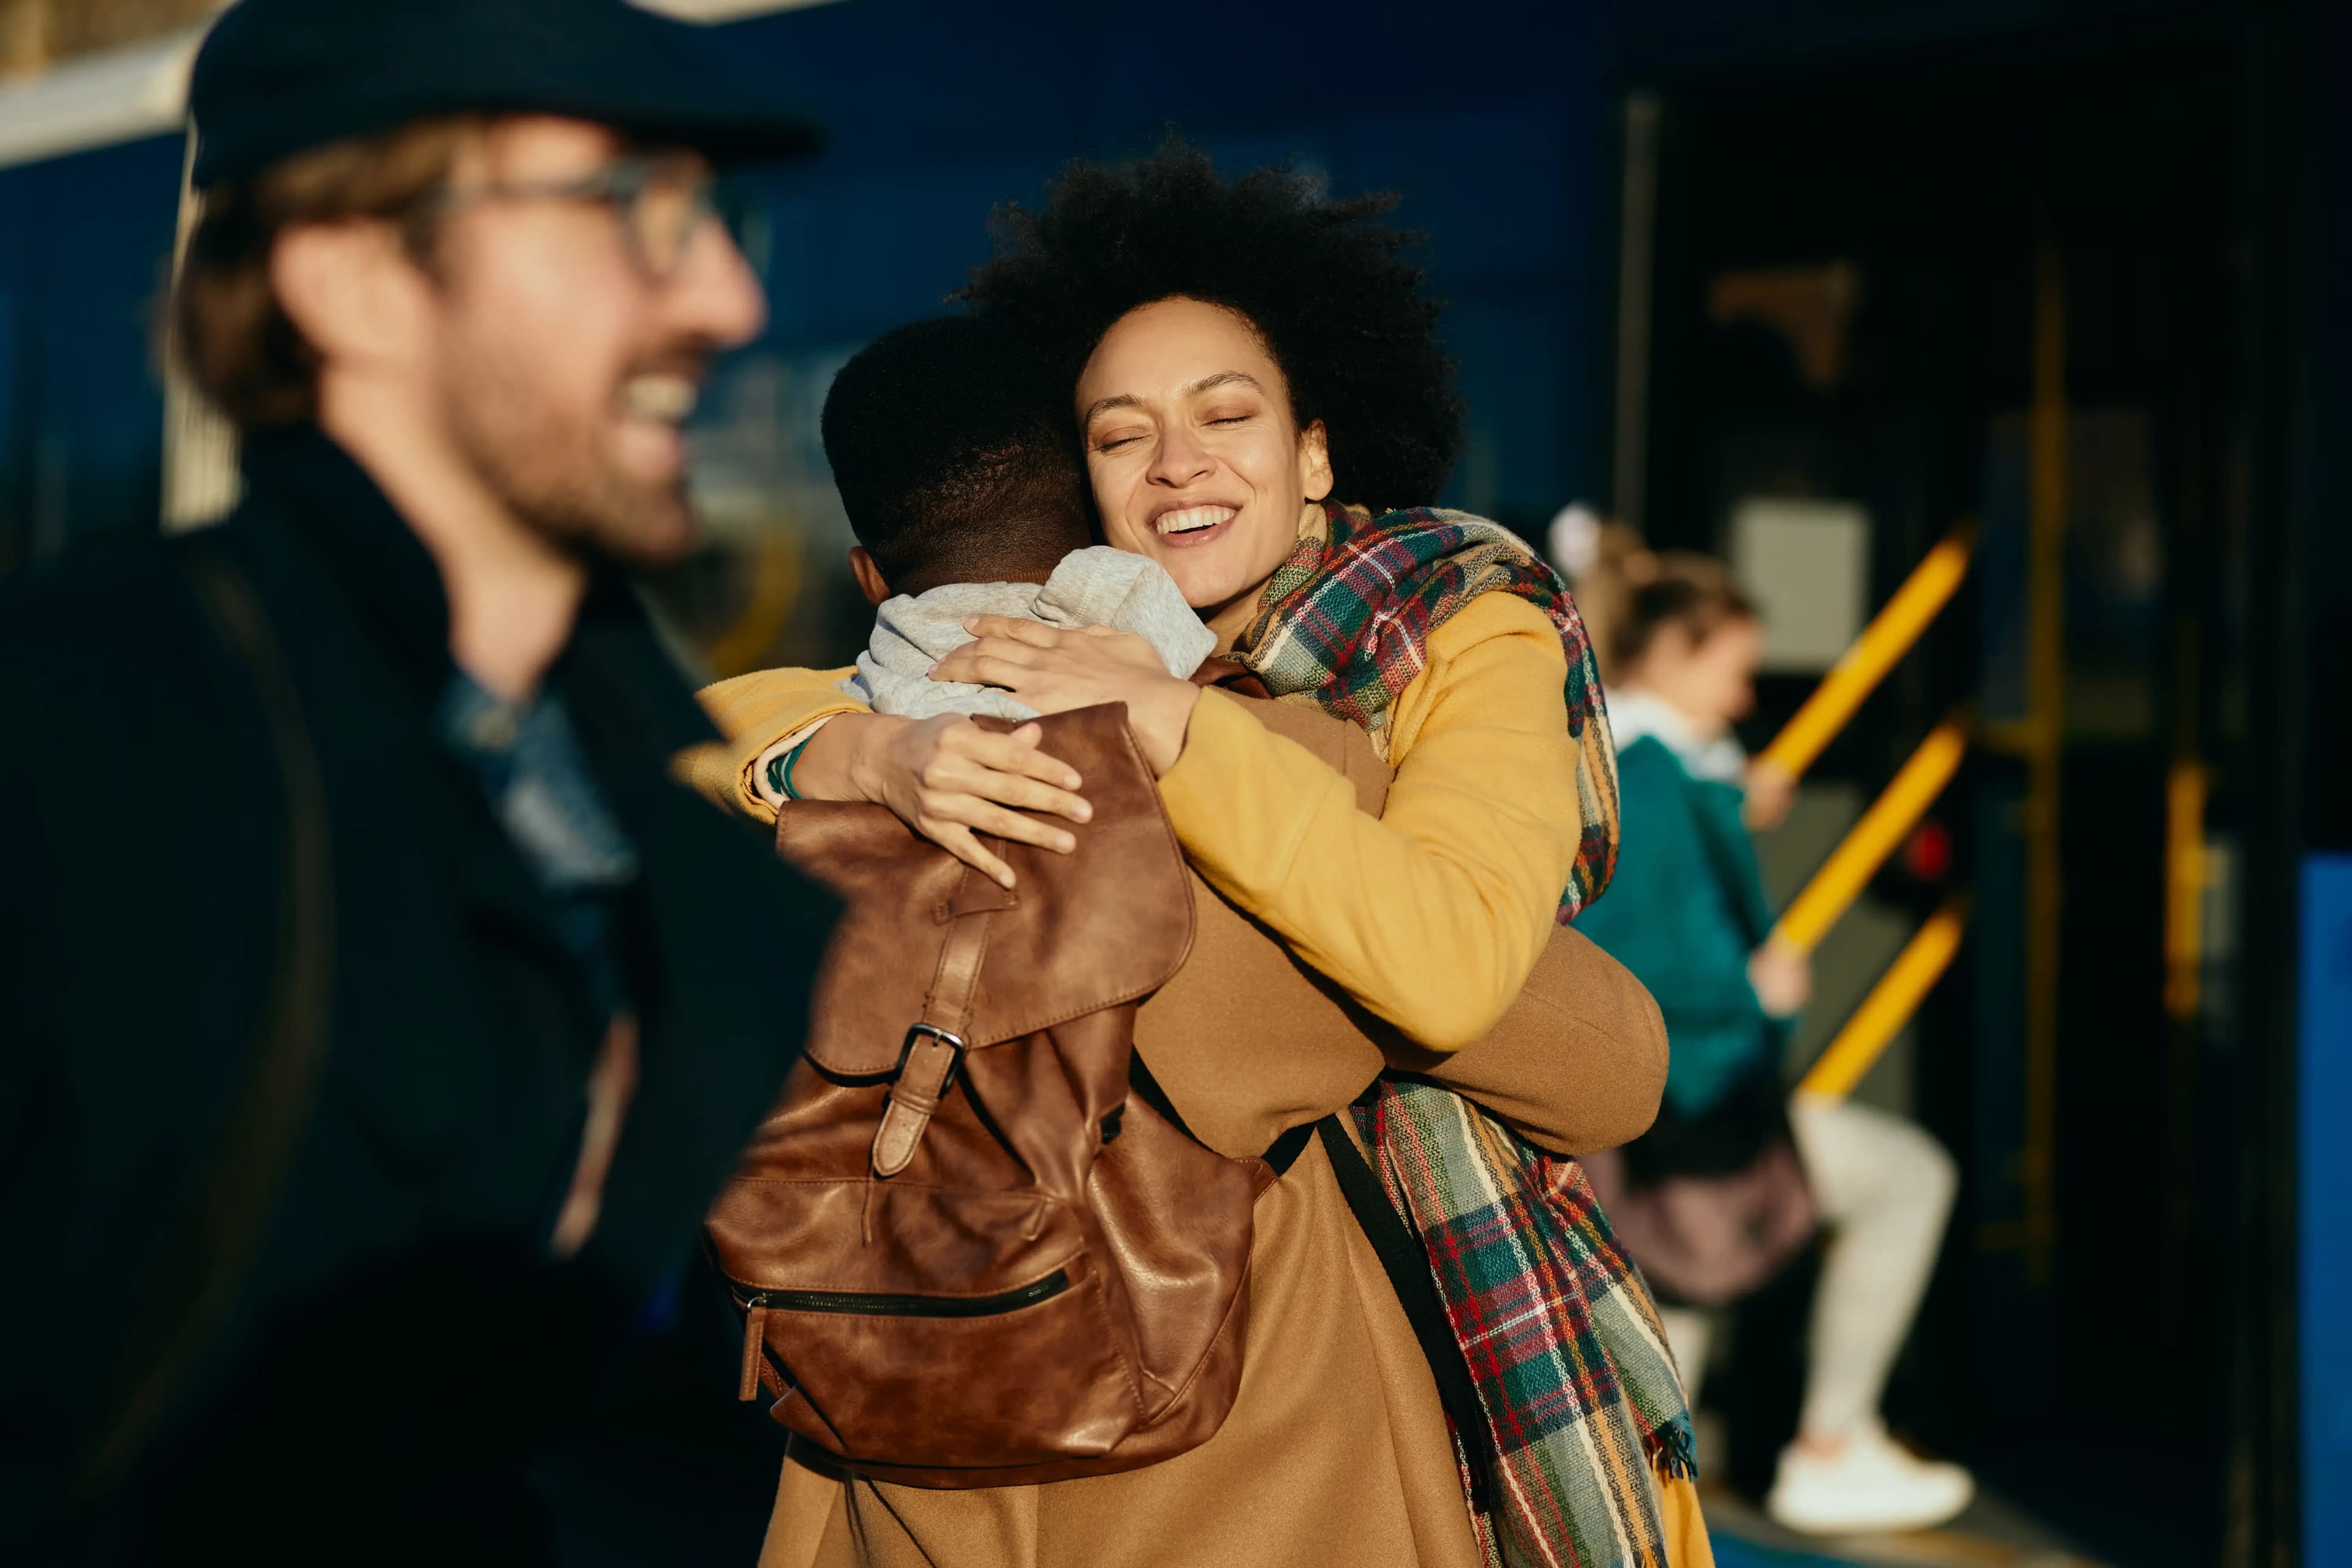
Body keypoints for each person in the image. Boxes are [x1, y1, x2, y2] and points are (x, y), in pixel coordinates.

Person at [688, 146, 1706, 1568]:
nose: (1178, 462)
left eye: (1228, 414)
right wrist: (853, 751)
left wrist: (1173, 730)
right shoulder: (1036, 692)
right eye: (1119, 433)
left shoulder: (1448, 628)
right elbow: (1606, 1056)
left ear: (1317, 451)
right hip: (1243, 1407)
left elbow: (1458, 962)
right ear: (1073, 479)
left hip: (962, 1420)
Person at [0, 2, 835, 1561]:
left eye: (714, 217)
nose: (726, 294)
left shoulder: (660, 837)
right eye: (628, 211)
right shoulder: (78, 741)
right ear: (354, 278)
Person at [1567, 552, 1975, 1536]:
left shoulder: (1639, 762)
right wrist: (1756, 989)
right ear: (1674, 653)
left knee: (1679, 1309)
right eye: (1733, 670)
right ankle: (1830, 1443)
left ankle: (1645, 1524)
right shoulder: (1657, 782)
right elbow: (1629, 951)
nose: (1747, 695)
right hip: (1696, 1099)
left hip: (1654, 1114)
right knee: (1905, 1179)